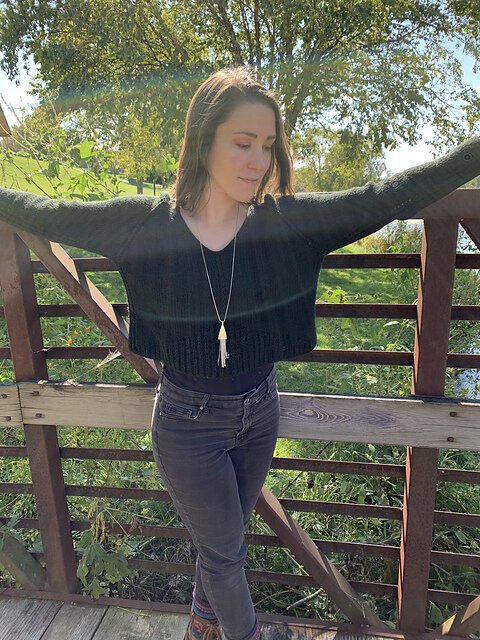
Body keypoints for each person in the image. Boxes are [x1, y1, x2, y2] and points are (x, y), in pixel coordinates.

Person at [0, 66, 479, 640]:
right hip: (187, 424)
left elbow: (388, 195)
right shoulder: (141, 225)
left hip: (260, 412)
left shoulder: (287, 224)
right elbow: (45, 213)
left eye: (268, 145)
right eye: (243, 143)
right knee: (225, 554)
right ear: (204, 141)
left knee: (224, 542)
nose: (259, 161)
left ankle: (203, 625)